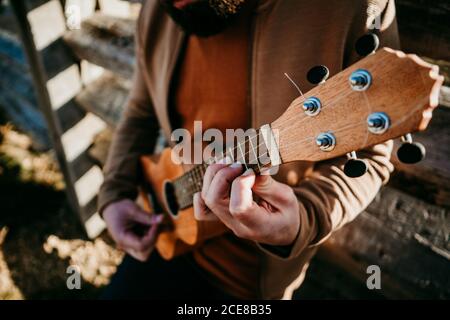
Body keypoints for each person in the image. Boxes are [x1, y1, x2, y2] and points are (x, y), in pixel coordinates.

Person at [99, 0, 399, 299]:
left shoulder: (350, 8)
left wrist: (302, 220)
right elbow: (141, 111)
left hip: (246, 278)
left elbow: (371, 156)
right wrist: (114, 194)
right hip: (164, 228)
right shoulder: (158, 10)